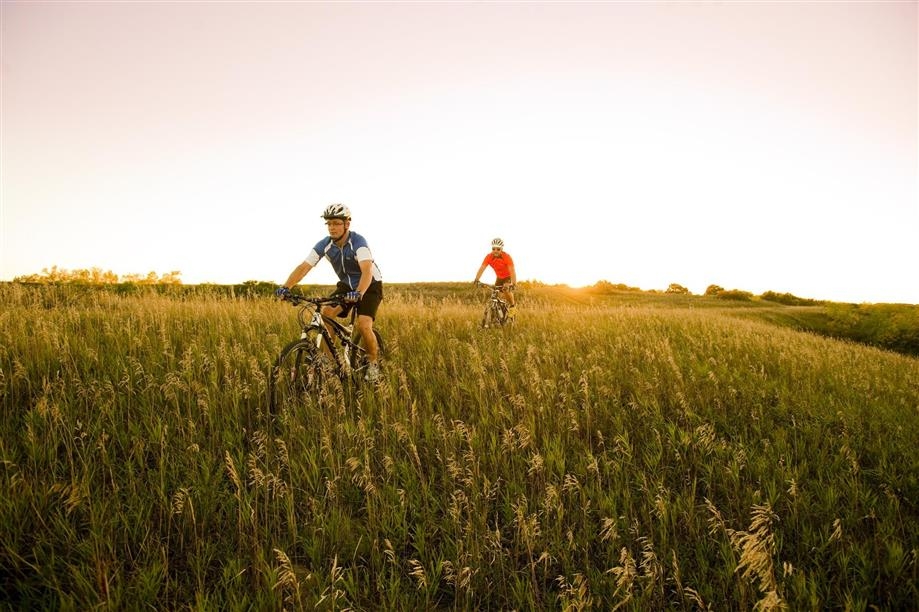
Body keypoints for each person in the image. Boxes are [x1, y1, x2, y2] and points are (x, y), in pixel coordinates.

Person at [275, 203, 383, 382]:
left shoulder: (358, 242)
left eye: (336, 223)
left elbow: (366, 271)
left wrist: (358, 293)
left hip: (369, 284)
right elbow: (304, 267)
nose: (332, 228)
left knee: (364, 324)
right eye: (329, 224)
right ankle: (329, 363)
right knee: (326, 314)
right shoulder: (325, 245)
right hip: (346, 286)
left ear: (346, 224)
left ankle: (373, 364)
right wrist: (286, 287)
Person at [473, 237, 517, 317]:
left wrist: (513, 283)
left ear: (502, 249)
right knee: (496, 296)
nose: (495, 251)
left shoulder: (506, 257)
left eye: (498, 249)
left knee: (506, 290)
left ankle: (512, 306)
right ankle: (499, 314)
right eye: (493, 249)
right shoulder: (489, 257)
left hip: (507, 276)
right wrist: (477, 279)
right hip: (499, 277)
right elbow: (482, 268)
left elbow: (512, 271)